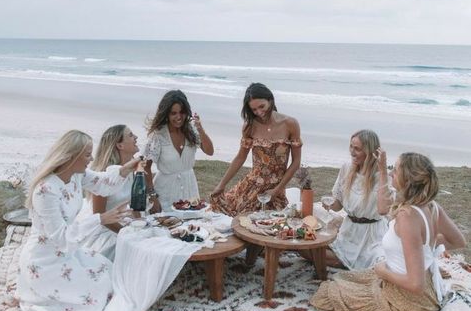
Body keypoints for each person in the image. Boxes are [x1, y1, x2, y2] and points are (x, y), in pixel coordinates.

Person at [0, 130, 142, 311]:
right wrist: (101, 219)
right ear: (70, 156)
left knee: (111, 275)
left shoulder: (76, 176)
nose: (91, 159)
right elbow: (61, 237)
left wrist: (126, 169)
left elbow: (103, 182)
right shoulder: (46, 190)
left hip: (68, 254)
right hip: (44, 262)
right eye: (86, 155)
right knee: (94, 296)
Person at [310, 151, 466, 311]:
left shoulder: (407, 217)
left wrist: (383, 271)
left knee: (328, 293)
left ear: (408, 179)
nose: (392, 173)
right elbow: (458, 241)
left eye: (396, 169)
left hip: (409, 303)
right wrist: (425, 244)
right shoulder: (431, 206)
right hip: (427, 293)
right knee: (343, 279)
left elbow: (415, 284)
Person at [210, 83, 302, 216]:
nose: (259, 112)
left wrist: (277, 190)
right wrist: (222, 184)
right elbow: (240, 157)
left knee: (273, 227)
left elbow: (296, 162)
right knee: (240, 224)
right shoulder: (249, 126)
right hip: (251, 187)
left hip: (276, 189)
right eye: (254, 110)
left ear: (270, 100)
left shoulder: (290, 124)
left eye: (261, 106)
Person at [81, 124, 160, 260]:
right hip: (108, 230)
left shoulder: (130, 170)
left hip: (126, 224)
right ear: (120, 145)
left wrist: (141, 226)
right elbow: (99, 216)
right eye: (130, 135)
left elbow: (134, 204)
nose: (135, 137)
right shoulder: (104, 174)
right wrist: (126, 234)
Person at [322, 130, 393, 270]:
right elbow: (338, 206)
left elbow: (384, 210)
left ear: (370, 152)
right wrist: (328, 204)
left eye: (357, 149)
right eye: (351, 147)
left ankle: (346, 263)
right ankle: (344, 262)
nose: (352, 152)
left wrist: (383, 170)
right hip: (349, 231)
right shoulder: (346, 168)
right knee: (307, 247)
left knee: (383, 267)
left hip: (372, 236)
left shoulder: (382, 176)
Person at [143, 90, 214, 211]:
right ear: (166, 114)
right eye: (173, 113)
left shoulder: (192, 130)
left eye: (182, 112)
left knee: (190, 227)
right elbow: (146, 167)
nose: (178, 117)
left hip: (189, 188)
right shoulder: (158, 135)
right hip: (165, 191)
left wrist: (200, 129)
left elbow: (209, 151)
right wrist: (152, 196)